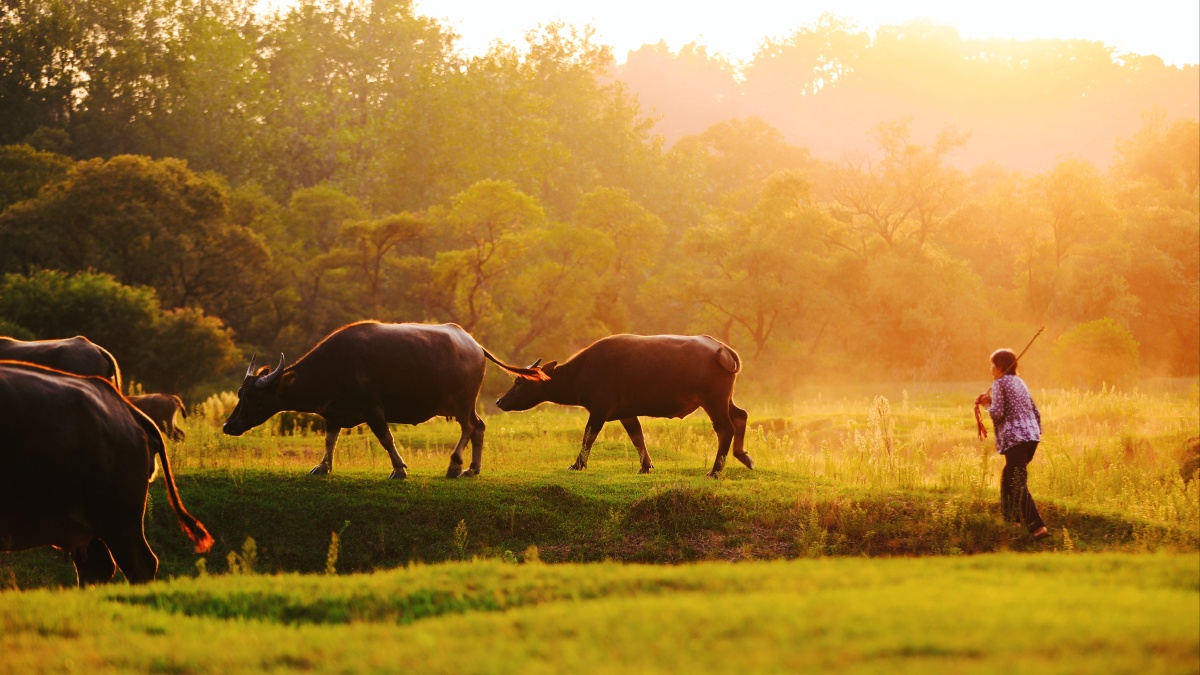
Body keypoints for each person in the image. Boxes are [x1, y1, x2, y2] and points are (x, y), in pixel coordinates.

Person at [976, 348, 1050, 540]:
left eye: (993, 365)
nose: (991, 368)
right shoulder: (1019, 382)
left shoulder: (999, 383)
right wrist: (1034, 431)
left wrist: (986, 404)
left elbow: (998, 412)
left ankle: (1037, 526)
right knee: (1008, 475)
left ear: (1000, 367)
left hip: (1015, 439)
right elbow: (1035, 410)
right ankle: (1010, 520)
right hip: (1031, 437)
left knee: (1017, 481)